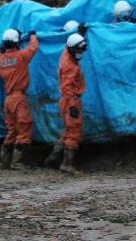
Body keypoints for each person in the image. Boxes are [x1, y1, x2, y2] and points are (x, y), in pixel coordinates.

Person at [0, 29, 39, 169]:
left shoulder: (1, 59)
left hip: (8, 99)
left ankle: (3, 162)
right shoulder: (21, 55)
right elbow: (33, 47)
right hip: (19, 98)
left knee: (11, 130)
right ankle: (17, 162)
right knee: (24, 128)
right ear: (16, 42)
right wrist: (32, 34)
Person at [47, 32, 88, 175]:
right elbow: (66, 87)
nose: (80, 53)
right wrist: (72, 106)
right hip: (71, 99)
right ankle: (66, 164)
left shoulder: (66, 53)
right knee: (73, 131)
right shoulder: (71, 66)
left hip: (67, 99)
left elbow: (71, 45)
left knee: (67, 129)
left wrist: (80, 34)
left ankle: (52, 159)